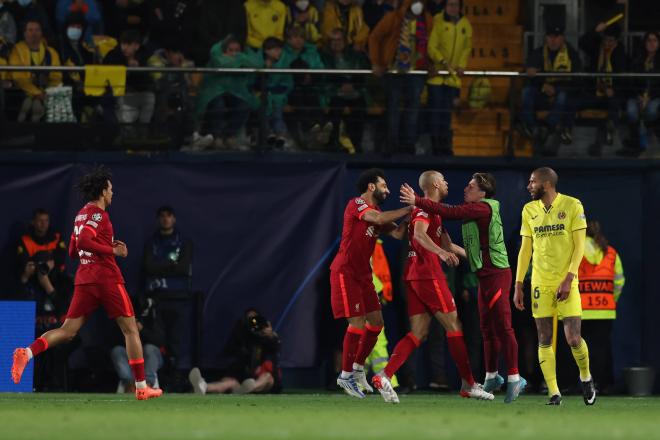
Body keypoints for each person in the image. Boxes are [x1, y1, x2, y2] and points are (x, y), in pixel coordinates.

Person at [10, 166, 163, 401]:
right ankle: (142, 387)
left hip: (85, 279)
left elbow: (73, 249)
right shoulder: (99, 215)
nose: (113, 193)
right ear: (102, 191)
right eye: (110, 189)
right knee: (130, 330)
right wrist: (112, 250)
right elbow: (83, 240)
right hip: (107, 278)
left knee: (67, 331)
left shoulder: (81, 214)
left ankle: (26, 352)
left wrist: (100, 244)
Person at [400, 172, 525, 403]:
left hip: (498, 274)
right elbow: (461, 247)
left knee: (503, 327)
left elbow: (451, 212)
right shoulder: (473, 213)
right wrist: (449, 251)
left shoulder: (483, 207)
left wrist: (417, 201)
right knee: (486, 329)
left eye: (470, 186)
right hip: (483, 276)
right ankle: (491, 376)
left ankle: (515, 377)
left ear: (482, 192)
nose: (465, 189)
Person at [372, 171, 494, 404]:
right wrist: (440, 253)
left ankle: (384, 375)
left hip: (414, 275)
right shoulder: (425, 209)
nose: (448, 183)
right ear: (436, 184)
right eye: (445, 180)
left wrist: (479, 260)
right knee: (454, 324)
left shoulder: (431, 211)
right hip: (428, 274)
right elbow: (418, 235)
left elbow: (448, 244)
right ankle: (469, 384)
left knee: (419, 332)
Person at [513, 167, 595, 406]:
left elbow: (580, 247)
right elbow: (525, 249)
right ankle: (554, 392)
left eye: (532, 182)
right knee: (544, 338)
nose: (528, 186)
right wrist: (518, 283)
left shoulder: (572, 206)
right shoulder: (529, 210)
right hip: (540, 282)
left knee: (572, 338)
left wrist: (569, 278)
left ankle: (586, 377)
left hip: (566, 281)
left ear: (546, 183)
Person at [329, 168, 411, 398]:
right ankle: (345, 376)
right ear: (371, 186)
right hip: (346, 272)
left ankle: (356, 370)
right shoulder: (356, 204)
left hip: (364, 274)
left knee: (376, 324)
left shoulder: (378, 211)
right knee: (356, 324)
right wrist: (408, 208)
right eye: (384, 185)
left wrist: (411, 217)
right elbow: (377, 219)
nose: (388, 190)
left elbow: (396, 234)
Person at [369, 0, 433, 154]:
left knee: (413, 109)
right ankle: (392, 146)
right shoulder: (394, 17)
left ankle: (408, 146)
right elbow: (375, 36)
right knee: (393, 109)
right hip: (394, 71)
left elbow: (432, 43)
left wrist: (431, 64)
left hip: (416, 71)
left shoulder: (427, 20)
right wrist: (376, 61)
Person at [577, 220, 624, 392]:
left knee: (580, 350)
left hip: (580, 311)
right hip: (605, 310)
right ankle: (602, 384)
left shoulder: (576, 251)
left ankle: (583, 384)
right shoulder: (611, 253)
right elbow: (619, 281)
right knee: (601, 349)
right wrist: (612, 300)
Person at [143, 205, 193, 369]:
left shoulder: (184, 242)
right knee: (158, 339)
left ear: (174, 218)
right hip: (157, 298)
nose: (165, 219)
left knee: (176, 340)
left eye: (169, 215)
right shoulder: (151, 243)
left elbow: (183, 268)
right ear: (159, 219)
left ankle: (176, 377)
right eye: (162, 216)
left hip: (179, 298)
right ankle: (158, 376)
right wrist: (172, 264)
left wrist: (161, 266)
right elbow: (148, 267)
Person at [519, 25, 582, 153]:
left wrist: (556, 89)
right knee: (527, 92)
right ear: (545, 38)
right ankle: (532, 127)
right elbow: (530, 71)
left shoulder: (572, 55)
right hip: (542, 93)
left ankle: (548, 127)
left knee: (563, 97)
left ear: (562, 38)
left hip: (562, 93)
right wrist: (543, 85)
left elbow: (577, 80)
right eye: (550, 37)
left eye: (556, 37)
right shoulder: (538, 53)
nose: (553, 40)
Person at [189, 309, 281, 395]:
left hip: (261, 383)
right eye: (250, 319)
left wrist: (270, 335)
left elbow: (275, 349)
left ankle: (250, 387)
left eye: (256, 319)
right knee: (229, 382)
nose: (254, 322)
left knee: (268, 377)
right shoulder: (242, 337)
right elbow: (234, 356)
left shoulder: (267, 339)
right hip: (242, 384)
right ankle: (203, 386)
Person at [426, 0, 472, 156]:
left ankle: (444, 147)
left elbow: (467, 48)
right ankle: (434, 147)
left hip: (453, 78)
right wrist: (442, 62)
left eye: (456, 5)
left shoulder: (465, 24)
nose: (453, 8)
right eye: (450, 5)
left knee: (447, 113)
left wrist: (461, 65)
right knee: (435, 112)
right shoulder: (438, 20)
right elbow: (432, 46)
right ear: (445, 7)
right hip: (438, 76)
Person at [578, 22, 627, 154]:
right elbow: (582, 42)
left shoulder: (621, 53)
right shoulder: (597, 48)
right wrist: (595, 30)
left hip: (612, 96)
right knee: (574, 101)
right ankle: (563, 131)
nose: (607, 43)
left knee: (615, 104)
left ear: (617, 41)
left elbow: (625, 80)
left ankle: (608, 134)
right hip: (594, 93)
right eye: (605, 40)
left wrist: (613, 89)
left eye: (611, 41)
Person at [320, 27, 369, 152]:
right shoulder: (324, 57)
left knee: (359, 108)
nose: (336, 43)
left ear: (345, 41)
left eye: (339, 40)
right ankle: (335, 144)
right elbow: (324, 77)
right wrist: (339, 86)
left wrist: (353, 85)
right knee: (336, 108)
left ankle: (356, 145)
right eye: (333, 40)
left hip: (355, 93)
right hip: (334, 93)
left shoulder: (356, 55)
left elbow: (363, 74)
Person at [9, 19, 63, 122]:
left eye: (37, 30)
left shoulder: (51, 52)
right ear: (24, 33)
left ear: (41, 33)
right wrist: (36, 93)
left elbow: (57, 77)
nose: (34, 33)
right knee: (28, 105)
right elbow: (19, 77)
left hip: (47, 93)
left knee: (37, 107)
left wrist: (47, 93)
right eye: (30, 30)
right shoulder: (17, 50)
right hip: (23, 92)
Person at [618, 31, 660, 157]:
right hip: (637, 95)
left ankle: (644, 143)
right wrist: (639, 96)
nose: (651, 43)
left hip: (656, 95)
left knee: (651, 111)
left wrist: (650, 97)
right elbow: (631, 81)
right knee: (632, 112)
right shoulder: (638, 58)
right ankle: (637, 144)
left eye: (654, 40)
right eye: (648, 40)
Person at [111, 295, 165, 392]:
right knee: (117, 351)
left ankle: (147, 385)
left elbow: (159, 341)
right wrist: (130, 330)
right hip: (132, 357)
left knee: (149, 348)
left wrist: (141, 330)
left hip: (151, 358)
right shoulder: (125, 317)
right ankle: (129, 385)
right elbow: (115, 341)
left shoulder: (153, 316)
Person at [103, 30, 155, 130]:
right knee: (126, 127)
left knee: (150, 98)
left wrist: (138, 67)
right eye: (123, 43)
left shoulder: (145, 56)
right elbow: (107, 77)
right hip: (123, 94)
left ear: (136, 46)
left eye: (128, 44)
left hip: (143, 94)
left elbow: (149, 79)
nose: (124, 48)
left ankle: (144, 134)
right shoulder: (113, 55)